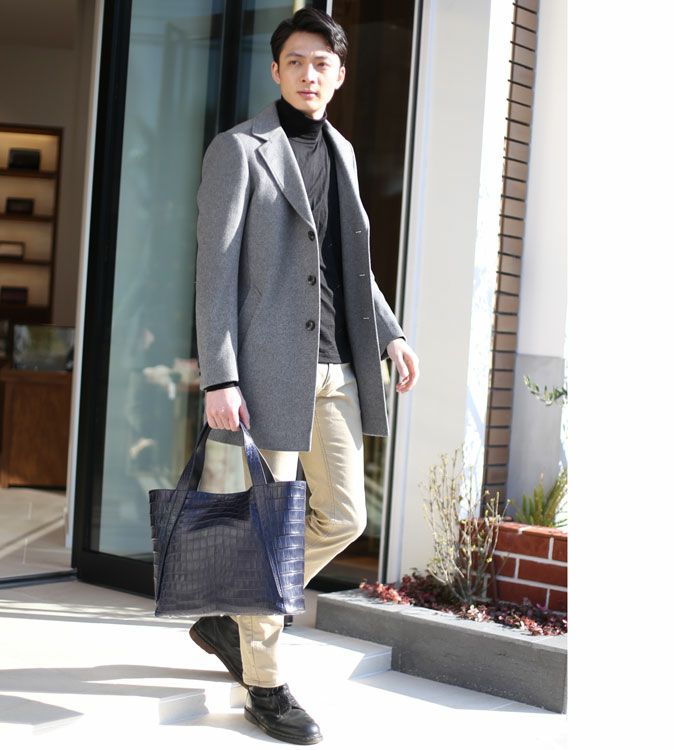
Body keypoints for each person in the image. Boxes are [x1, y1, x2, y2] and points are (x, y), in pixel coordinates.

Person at [188, 8, 420, 745]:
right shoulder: (240, 150)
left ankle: (234, 615)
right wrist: (220, 377)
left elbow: (351, 266)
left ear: (339, 74)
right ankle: (266, 686)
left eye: (322, 63)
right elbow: (215, 274)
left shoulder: (342, 151)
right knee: (272, 525)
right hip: (265, 373)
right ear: (276, 70)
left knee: (344, 517)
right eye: (296, 61)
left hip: (337, 367)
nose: (308, 74)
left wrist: (391, 332)